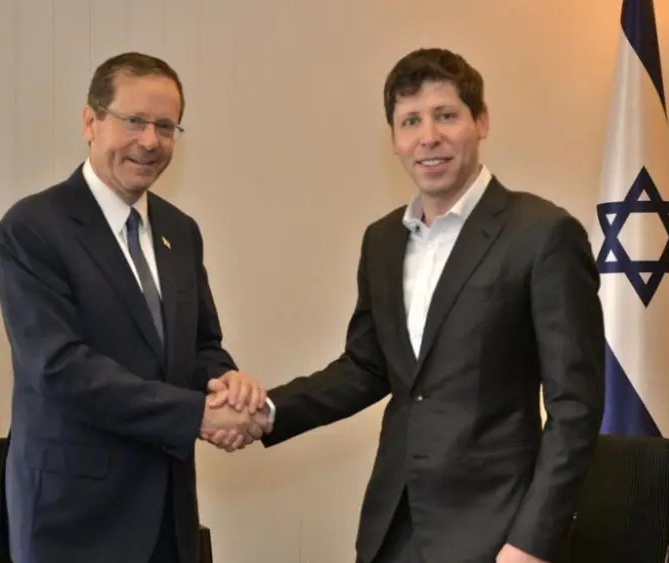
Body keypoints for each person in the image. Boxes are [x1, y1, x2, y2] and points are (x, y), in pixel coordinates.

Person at [240, 48, 606, 563]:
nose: (427, 137)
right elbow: (367, 367)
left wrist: (532, 541)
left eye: (446, 115)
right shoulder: (382, 241)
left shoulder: (543, 234)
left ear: (481, 121)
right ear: (393, 139)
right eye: (410, 121)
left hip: (498, 530)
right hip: (394, 527)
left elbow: (576, 405)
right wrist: (266, 411)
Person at [0, 52, 269, 563]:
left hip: (167, 512)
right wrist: (198, 416)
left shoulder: (180, 231)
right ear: (91, 122)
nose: (150, 140)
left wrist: (227, 383)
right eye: (134, 120)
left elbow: (200, 345)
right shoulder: (32, 227)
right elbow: (58, 368)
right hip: (72, 520)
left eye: (165, 126)